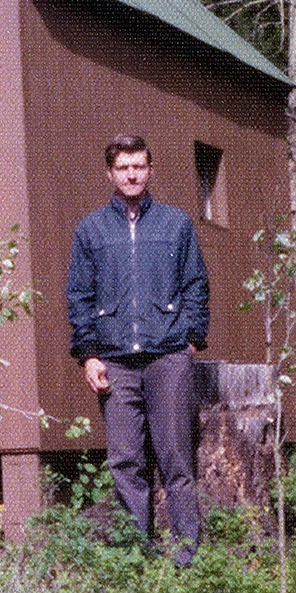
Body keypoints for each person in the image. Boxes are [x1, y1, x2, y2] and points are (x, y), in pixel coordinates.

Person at [66, 134, 209, 566]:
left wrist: (191, 337)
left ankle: (187, 560)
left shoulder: (175, 224)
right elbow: (79, 295)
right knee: (126, 461)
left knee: (176, 459)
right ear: (110, 173)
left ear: (150, 170)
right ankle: (137, 560)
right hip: (115, 362)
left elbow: (196, 284)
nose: (132, 174)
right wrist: (89, 354)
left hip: (168, 357)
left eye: (140, 167)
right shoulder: (91, 229)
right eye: (124, 167)